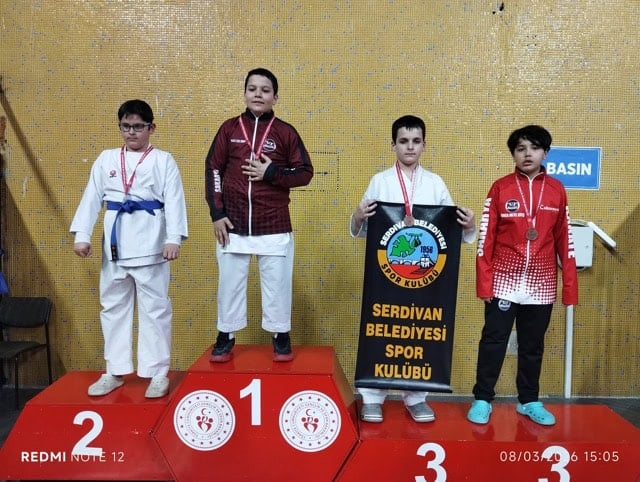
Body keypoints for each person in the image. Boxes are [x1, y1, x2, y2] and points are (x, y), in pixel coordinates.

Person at [350, 115, 476, 423]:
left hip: (426, 278)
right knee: (381, 328)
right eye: (403, 141)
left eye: (416, 141)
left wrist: (469, 225)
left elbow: (450, 230)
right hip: (385, 274)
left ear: (424, 145)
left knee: (420, 333)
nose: (410, 147)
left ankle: (416, 397)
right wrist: (358, 216)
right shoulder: (380, 181)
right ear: (393, 145)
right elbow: (361, 230)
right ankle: (372, 397)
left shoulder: (435, 183)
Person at [70, 99, 188, 398]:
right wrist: (82, 234)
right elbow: (91, 197)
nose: (131, 132)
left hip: (151, 244)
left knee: (155, 310)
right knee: (112, 308)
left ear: (151, 128)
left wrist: (173, 238)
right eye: (126, 126)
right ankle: (114, 370)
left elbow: (175, 200)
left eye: (138, 127)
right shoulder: (107, 158)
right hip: (115, 245)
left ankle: (157, 372)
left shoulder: (163, 160)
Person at [467, 124, 578, 426]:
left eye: (534, 148)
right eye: (520, 149)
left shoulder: (556, 190)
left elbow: (565, 240)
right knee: (493, 341)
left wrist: (569, 288)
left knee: (532, 345)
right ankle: (482, 399)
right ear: (513, 154)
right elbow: (486, 238)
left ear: (545, 152)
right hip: (503, 281)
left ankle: (528, 400)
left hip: (541, 284)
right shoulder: (500, 188)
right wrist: (485, 283)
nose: (527, 154)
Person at [205, 68, 313, 363]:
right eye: (252, 89)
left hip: (273, 223)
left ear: (275, 97)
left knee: (278, 285)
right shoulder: (229, 129)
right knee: (229, 285)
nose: (258, 94)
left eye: (265, 90)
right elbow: (213, 169)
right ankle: (225, 335)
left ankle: (280, 336)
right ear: (244, 93)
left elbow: (305, 173)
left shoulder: (285, 132)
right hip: (233, 223)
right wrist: (217, 213)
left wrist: (272, 173)